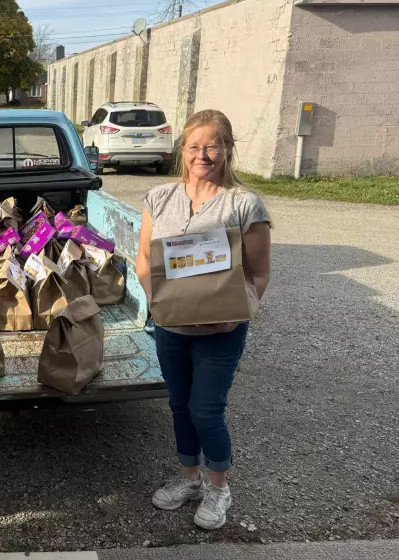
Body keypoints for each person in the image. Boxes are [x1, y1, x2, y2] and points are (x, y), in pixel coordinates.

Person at [135, 109, 272, 530]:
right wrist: (157, 303)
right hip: (171, 327)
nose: (203, 154)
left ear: (227, 149)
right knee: (179, 406)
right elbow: (144, 259)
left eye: (212, 145)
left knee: (206, 410)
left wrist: (234, 314)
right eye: (195, 146)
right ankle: (189, 479)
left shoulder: (244, 204)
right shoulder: (160, 198)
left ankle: (218, 487)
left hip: (220, 332)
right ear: (183, 150)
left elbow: (259, 274)